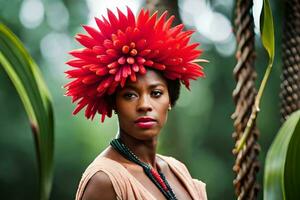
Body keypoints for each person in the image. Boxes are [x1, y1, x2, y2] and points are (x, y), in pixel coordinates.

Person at [65, 6, 207, 200]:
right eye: (130, 95)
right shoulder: (104, 180)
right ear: (114, 103)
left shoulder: (177, 170)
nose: (144, 105)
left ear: (171, 100)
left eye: (156, 93)